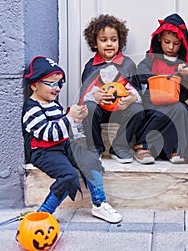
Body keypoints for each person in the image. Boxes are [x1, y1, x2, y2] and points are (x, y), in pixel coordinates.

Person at [22, 56, 122, 223]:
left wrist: (77, 120)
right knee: (68, 176)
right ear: (34, 85)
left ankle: (99, 203)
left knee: (90, 159)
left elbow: (65, 130)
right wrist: (68, 118)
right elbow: (49, 133)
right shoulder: (31, 109)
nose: (58, 88)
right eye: (52, 84)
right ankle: (44, 213)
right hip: (43, 151)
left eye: (60, 84)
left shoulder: (53, 104)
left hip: (62, 144)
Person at [79, 14, 154, 164]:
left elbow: (135, 90)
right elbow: (85, 93)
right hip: (100, 110)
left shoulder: (127, 64)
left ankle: (119, 147)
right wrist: (95, 96)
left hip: (121, 109)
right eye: (103, 40)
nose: (109, 44)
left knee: (137, 110)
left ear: (120, 42)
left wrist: (132, 98)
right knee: (89, 108)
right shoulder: (90, 65)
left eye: (113, 40)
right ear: (95, 43)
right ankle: (95, 148)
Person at [136, 13, 188, 164]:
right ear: (159, 40)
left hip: (175, 101)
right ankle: (142, 145)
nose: (171, 47)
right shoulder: (152, 58)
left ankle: (176, 150)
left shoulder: (186, 63)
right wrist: (155, 76)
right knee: (160, 111)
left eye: (176, 43)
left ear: (182, 43)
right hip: (153, 101)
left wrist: (186, 74)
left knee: (180, 109)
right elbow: (140, 72)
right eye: (166, 42)